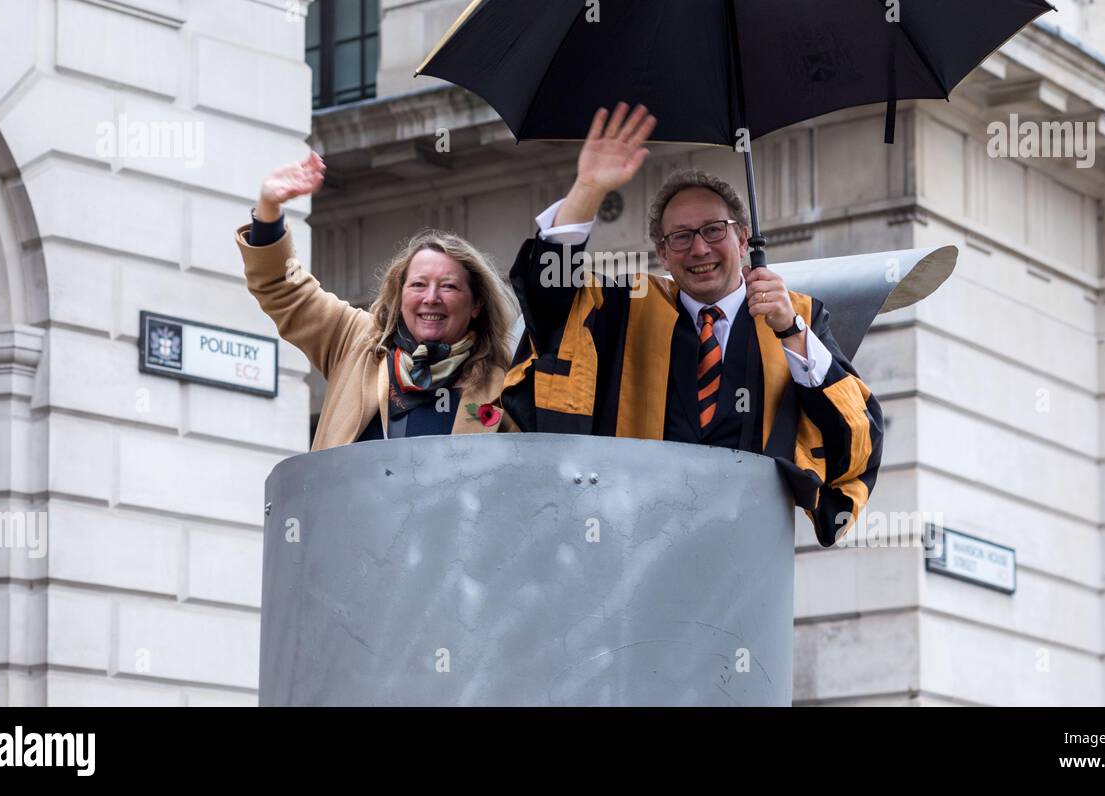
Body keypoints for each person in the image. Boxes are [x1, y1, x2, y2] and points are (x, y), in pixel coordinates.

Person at [502, 103, 884, 545]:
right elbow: (549, 296)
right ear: (662, 254)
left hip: (745, 553)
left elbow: (856, 436)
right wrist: (586, 190)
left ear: (743, 239)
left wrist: (791, 332)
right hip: (632, 545)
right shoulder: (624, 311)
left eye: (714, 231)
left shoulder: (798, 317)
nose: (699, 249)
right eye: (680, 237)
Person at [236, 152, 516, 450]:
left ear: (476, 304)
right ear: (400, 295)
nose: (431, 298)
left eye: (448, 287)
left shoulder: (504, 385)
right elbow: (283, 287)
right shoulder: (354, 340)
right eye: (418, 285)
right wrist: (269, 209)